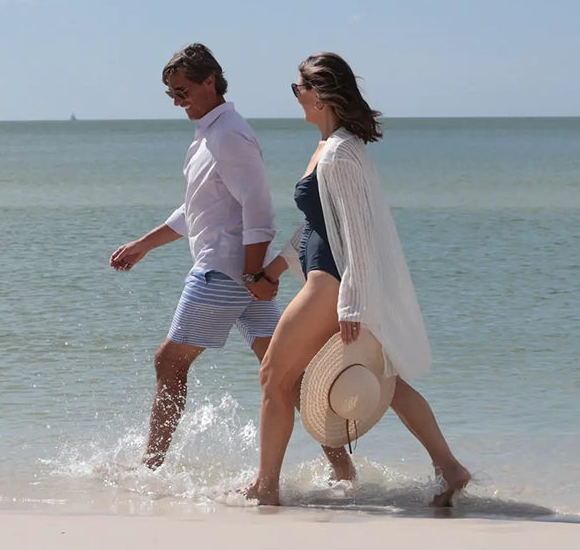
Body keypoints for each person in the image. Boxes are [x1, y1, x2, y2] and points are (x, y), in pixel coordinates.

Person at [244, 52, 471, 506]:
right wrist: (273, 270)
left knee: (274, 375)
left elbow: (360, 235)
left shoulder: (340, 154)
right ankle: (450, 469)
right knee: (384, 380)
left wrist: (352, 303)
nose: (296, 97)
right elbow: (316, 224)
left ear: (322, 93)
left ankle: (266, 488)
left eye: (299, 88)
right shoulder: (332, 147)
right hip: (325, 277)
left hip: (330, 283)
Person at [110, 43, 283, 470]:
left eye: (183, 90)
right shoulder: (208, 135)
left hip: (224, 271)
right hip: (239, 272)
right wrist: (143, 245)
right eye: (171, 93)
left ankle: (149, 468)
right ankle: (342, 469)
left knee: (168, 362)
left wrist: (249, 276)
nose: (176, 101)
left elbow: (258, 209)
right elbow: (197, 210)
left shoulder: (229, 135)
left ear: (211, 82)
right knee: (284, 373)